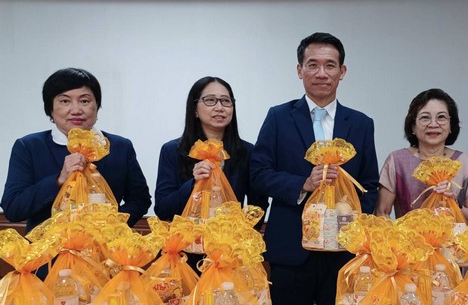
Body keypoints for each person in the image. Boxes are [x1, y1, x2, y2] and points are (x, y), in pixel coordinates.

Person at [250, 32, 379, 305]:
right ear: (300, 70)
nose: (322, 73)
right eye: (313, 64)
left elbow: (370, 184)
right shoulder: (278, 117)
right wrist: (303, 184)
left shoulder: (361, 124)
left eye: (330, 65)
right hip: (291, 248)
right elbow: (258, 174)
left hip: (343, 251)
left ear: (342, 71)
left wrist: (352, 224)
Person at [1, 68, 151, 234]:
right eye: (65, 101)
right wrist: (59, 179)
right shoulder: (29, 146)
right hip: (47, 248)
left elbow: (140, 199)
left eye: (84, 101)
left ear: (97, 106)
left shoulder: (119, 147)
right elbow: (13, 208)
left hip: (105, 247)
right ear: (50, 108)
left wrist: (111, 225)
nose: (76, 110)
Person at [154, 76, 268, 228]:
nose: (219, 107)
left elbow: (259, 204)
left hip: (230, 240)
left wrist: (242, 235)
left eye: (226, 101)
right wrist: (193, 184)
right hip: (186, 240)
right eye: (210, 100)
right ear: (195, 109)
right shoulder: (172, 150)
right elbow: (163, 209)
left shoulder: (247, 152)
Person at [374, 89, 468, 232]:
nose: (433, 124)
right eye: (425, 118)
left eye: (441, 117)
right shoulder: (397, 161)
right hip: (409, 243)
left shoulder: (465, 162)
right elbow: (381, 214)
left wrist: (453, 203)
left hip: (454, 245)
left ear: (451, 125)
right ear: (413, 126)